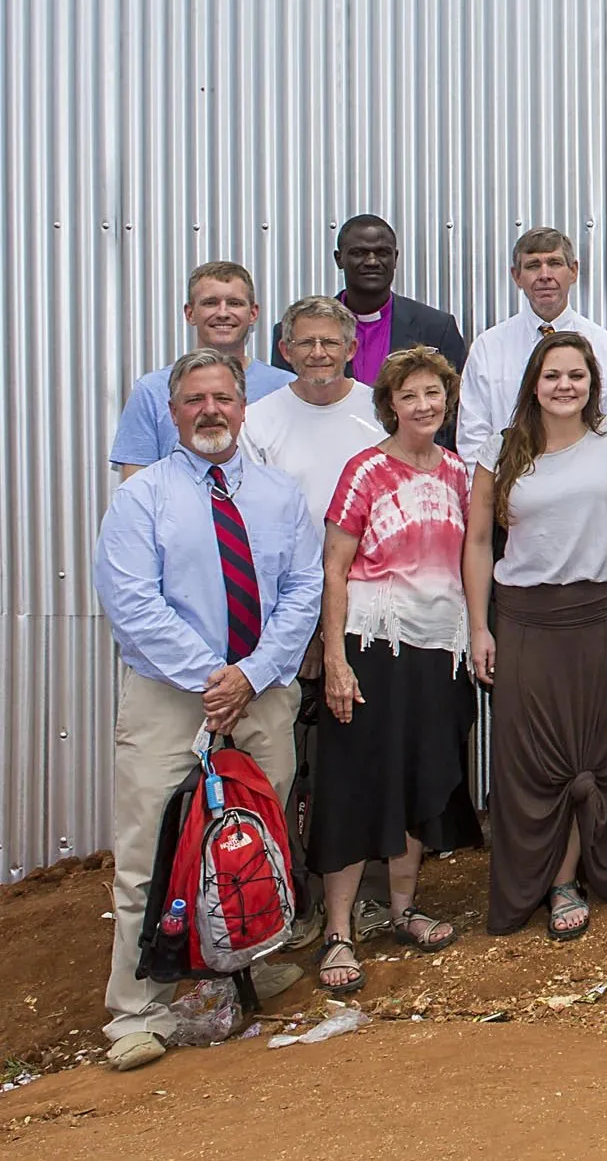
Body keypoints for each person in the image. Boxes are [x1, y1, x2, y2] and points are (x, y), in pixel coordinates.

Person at [92, 350, 321, 1071]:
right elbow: (132, 601)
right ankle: (137, 1009)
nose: (210, 410)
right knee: (151, 849)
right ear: (172, 411)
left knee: (254, 842)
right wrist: (211, 678)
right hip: (171, 696)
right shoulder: (142, 497)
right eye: (194, 399)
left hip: (262, 691)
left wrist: (248, 676)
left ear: (244, 405)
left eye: (223, 396)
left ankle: (243, 972)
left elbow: (302, 591)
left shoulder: (281, 495)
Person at [305, 347, 478, 997]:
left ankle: (404, 908)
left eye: (433, 393)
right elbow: (333, 566)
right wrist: (334, 658)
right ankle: (340, 928)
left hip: (440, 649)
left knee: (420, 778)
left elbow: (476, 554)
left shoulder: (461, 473)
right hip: (373, 644)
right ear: (390, 405)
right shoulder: (364, 471)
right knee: (354, 782)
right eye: (411, 396)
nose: (424, 405)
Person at [462, 331, 607, 938]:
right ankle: (526, 882)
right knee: (531, 759)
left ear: (594, 383)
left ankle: (567, 880)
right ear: (533, 385)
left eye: (577, 375)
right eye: (553, 375)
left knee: (595, 754)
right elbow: (480, 542)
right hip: (525, 620)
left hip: (606, 616)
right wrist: (477, 626)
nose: (565, 386)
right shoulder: (501, 449)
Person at [458, 228, 607, 466]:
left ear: (574, 271)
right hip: (507, 490)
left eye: (555, 263)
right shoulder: (488, 348)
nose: (545, 275)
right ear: (516, 276)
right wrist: (489, 496)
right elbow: (473, 437)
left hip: (584, 488)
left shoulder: (606, 347)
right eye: (533, 265)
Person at [112, 261, 295, 477]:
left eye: (235, 303)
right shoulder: (152, 390)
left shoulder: (286, 387)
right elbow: (135, 484)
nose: (223, 313)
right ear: (190, 313)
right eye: (210, 303)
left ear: (253, 313)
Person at [279, 215, 469, 387]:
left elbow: (453, 406)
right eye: (359, 253)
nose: (372, 261)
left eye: (382, 253)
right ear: (339, 259)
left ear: (395, 258)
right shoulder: (296, 331)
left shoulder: (437, 328)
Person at [243, 297, 386, 522]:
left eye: (329, 342)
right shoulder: (256, 421)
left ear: (350, 349)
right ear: (286, 351)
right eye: (306, 343)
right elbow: (255, 512)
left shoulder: (382, 412)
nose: (318, 353)